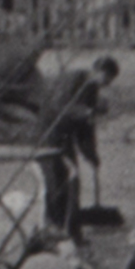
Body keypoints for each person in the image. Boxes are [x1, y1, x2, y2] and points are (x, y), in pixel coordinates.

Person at [39, 55, 116, 227]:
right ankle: (55, 224)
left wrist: (91, 155)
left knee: (71, 180)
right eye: (107, 79)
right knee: (57, 180)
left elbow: (85, 130)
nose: (106, 85)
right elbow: (60, 108)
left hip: (65, 136)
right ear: (99, 71)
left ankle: (68, 224)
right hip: (50, 134)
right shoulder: (72, 79)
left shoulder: (91, 89)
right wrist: (87, 112)